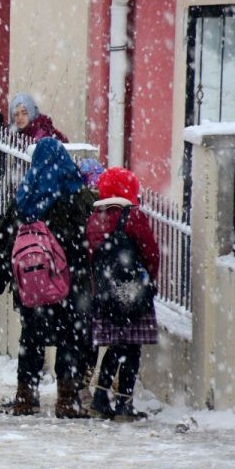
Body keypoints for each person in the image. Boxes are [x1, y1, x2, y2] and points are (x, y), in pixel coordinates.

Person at [0, 138, 96, 417]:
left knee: (31, 339)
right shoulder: (77, 195)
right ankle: (67, 399)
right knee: (69, 340)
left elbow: (7, 240)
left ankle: (26, 396)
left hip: (33, 284)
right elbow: (91, 237)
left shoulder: (26, 197)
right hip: (69, 282)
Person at [86, 167, 159, 421]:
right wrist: (146, 279)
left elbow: (92, 256)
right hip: (132, 294)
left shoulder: (96, 218)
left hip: (106, 294)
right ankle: (125, 404)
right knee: (132, 349)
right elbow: (151, 253)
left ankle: (100, 398)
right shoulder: (132, 216)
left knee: (114, 346)